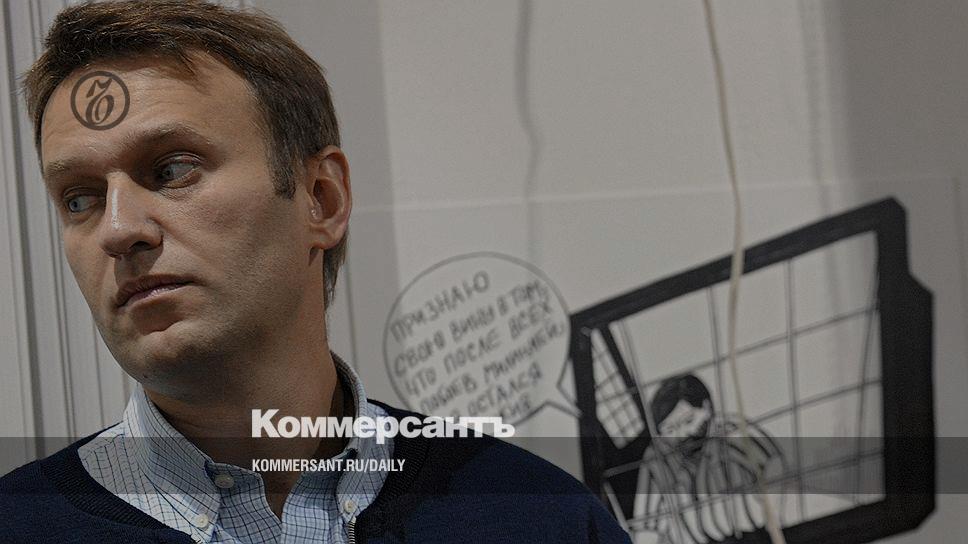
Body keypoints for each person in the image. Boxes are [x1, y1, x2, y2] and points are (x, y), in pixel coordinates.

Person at [0, 1, 630, 542]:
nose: (116, 229)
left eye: (172, 170)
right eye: (78, 199)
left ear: (321, 200)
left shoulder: (538, 518)